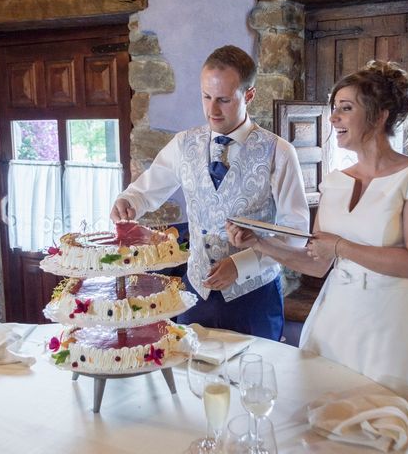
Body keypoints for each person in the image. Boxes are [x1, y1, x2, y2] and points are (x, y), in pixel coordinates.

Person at [227, 60, 408, 453]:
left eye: (346, 107)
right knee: (329, 431)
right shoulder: (334, 182)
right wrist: (260, 243)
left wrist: (342, 248)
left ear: (381, 115)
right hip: (337, 323)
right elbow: (318, 262)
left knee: (396, 435)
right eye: (334, 107)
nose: (333, 117)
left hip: (394, 329)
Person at [110, 45, 309, 341]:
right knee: (192, 380)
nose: (212, 110)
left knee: (253, 378)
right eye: (206, 97)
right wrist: (128, 201)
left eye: (224, 100)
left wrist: (242, 265)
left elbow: (296, 234)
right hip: (195, 294)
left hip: (255, 298)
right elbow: (144, 191)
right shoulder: (183, 144)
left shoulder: (279, 152)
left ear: (249, 95)